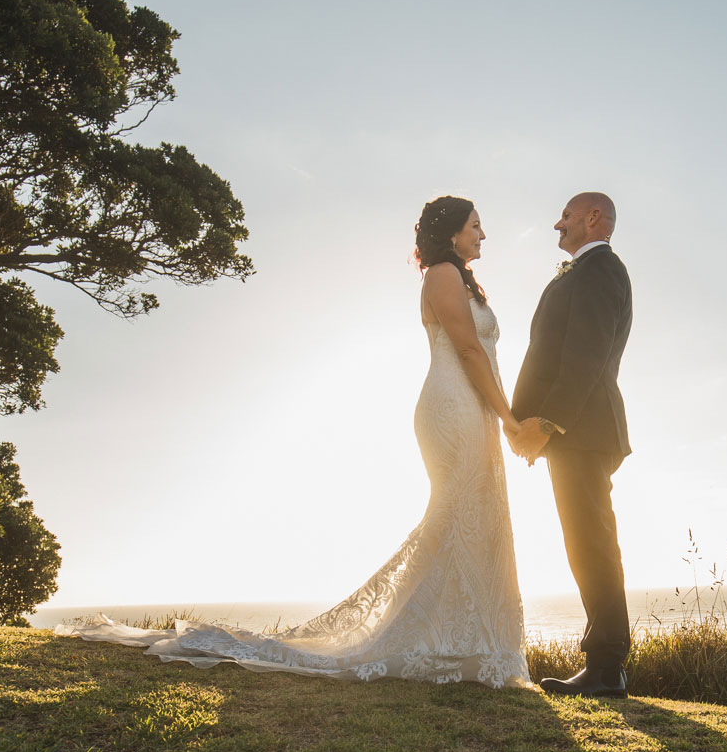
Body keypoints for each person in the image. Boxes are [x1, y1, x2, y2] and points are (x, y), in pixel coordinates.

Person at [60, 196, 531, 688]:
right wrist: (511, 419)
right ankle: (426, 640)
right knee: (455, 514)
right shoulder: (441, 275)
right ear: (452, 233)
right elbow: (469, 349)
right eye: (476, 226)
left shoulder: (462, 278)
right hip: (453, 408)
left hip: (474, 408)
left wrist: (500, 416)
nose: (483, 235)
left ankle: (465, 643)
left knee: (470, 517)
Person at [507, 192, 633, 697]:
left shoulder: (601, 270)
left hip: (583, 429)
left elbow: (585, 355)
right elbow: (548, 351)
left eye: (565, 215)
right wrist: (521, 421)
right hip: (573, 432)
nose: (557, 223)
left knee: (593, 542)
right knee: (583, 542)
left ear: (592, 217)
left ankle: (606, 666)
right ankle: (604, 662)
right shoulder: (579, 272)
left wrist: (547, 423)